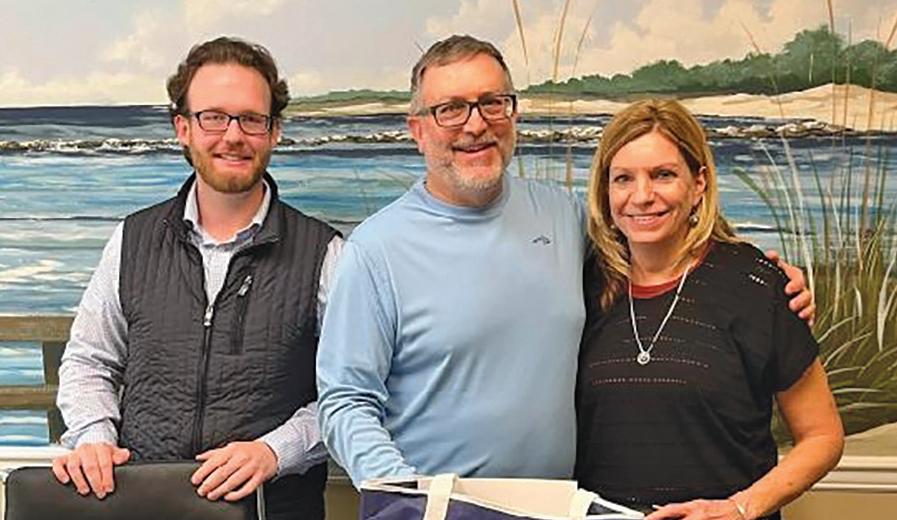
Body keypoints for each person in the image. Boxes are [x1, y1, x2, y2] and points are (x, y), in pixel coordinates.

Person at [317, 34, 811, 488]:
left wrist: (764, 281)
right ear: (418, 131)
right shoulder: (376, 251)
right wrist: (406, 495)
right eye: (450, 109)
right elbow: (345, 402)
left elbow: (660, 246)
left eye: (492, 103)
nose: (476, 124)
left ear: (512, 114)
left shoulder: (565, 216)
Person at [52, 37, 342, 520]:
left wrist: (275, 451)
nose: (232, 135)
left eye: (251, 119)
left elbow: (352, 397)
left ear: (274, 132)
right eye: (213, 117)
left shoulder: (326, 254)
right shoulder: (132, 240)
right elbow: (89, 360)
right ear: (182, 127)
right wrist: (93, 434)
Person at [575, 98, 844, 520]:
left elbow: (822, 436)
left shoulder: (754, 284)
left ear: (699, 184)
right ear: (605, 192)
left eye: (663, 175)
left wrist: (737, 511)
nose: (642, 196)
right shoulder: (582, 286)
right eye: (623, 178)